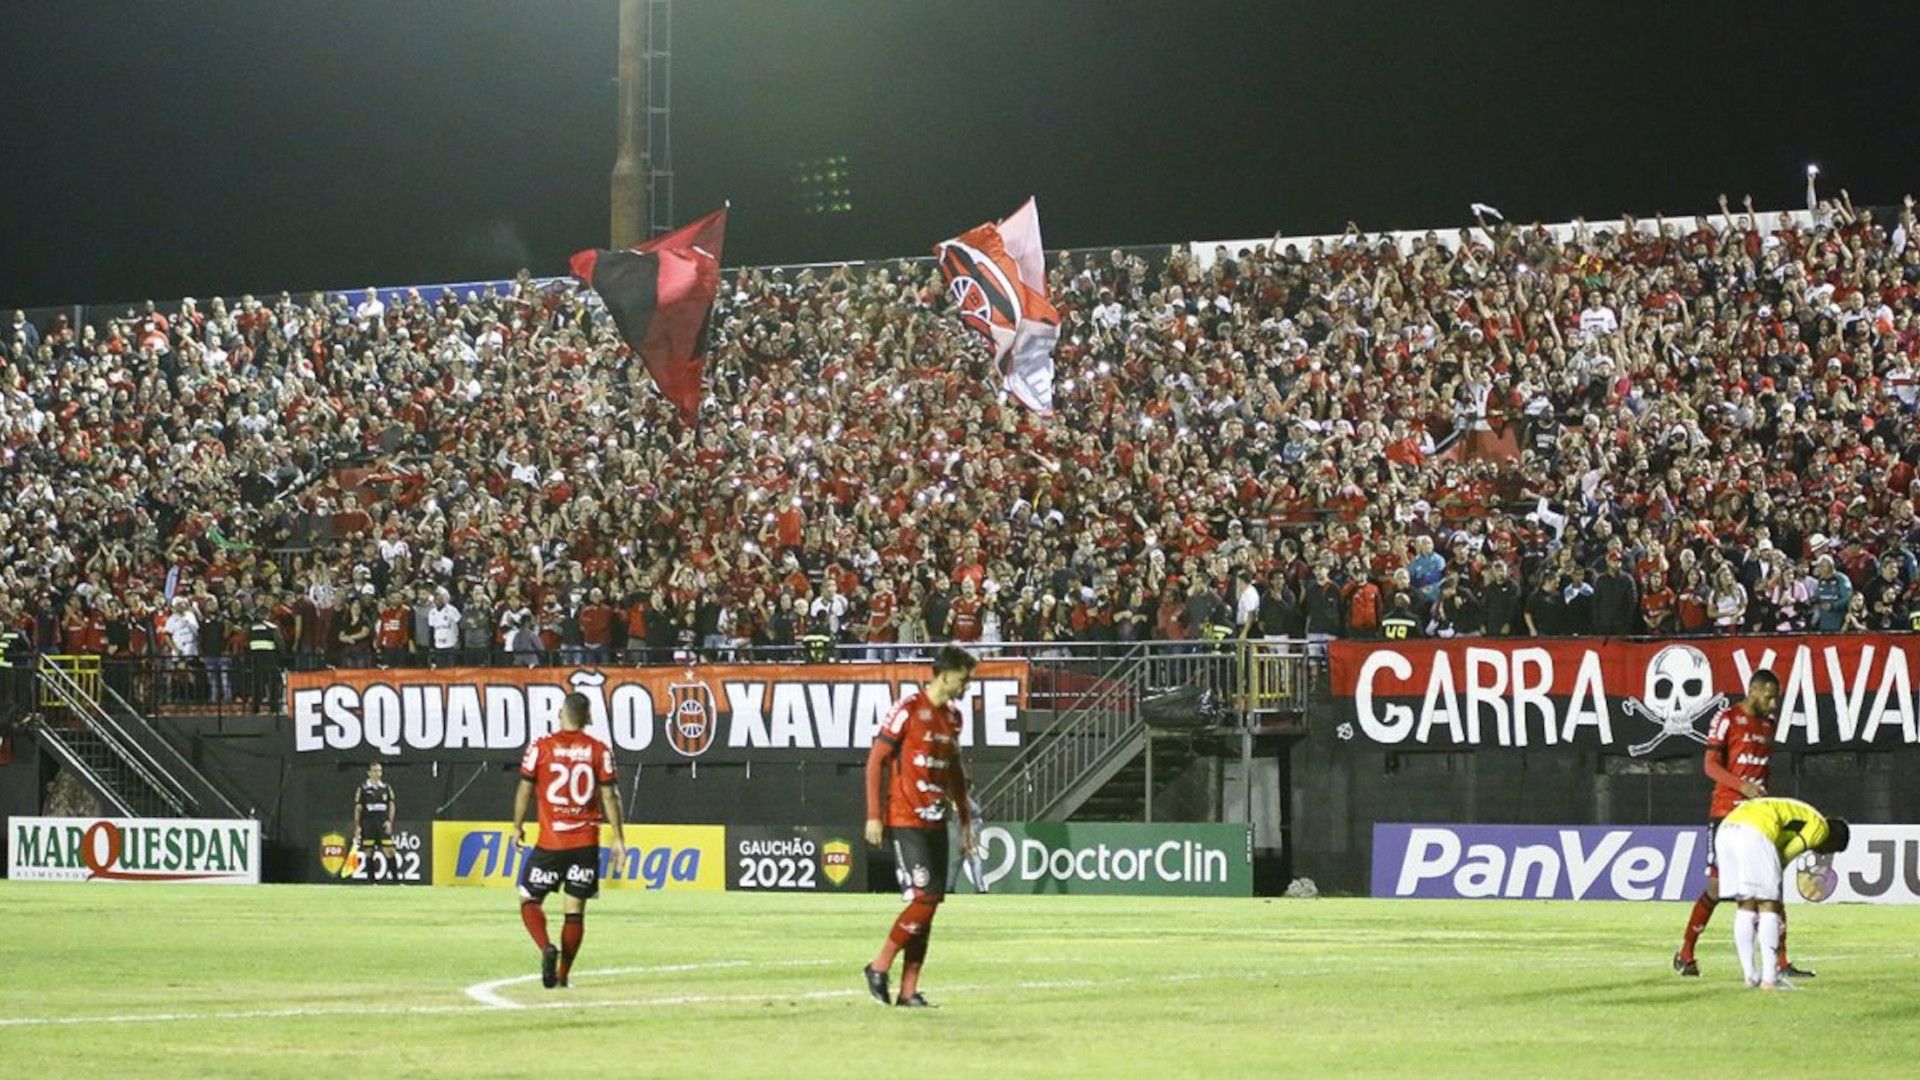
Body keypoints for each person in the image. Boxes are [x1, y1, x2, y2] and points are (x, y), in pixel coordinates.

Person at [1671, 670, 1809, 980]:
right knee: (1717, 888)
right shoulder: (1727, 718)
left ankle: (1781, 962)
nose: (1773, 703)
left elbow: (1763, 771)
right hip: (1726, 814)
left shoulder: (1767, 724)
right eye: (1769, 696)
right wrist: (1741, 787)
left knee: (1771, 883)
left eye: (1776, 697)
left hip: (1758, 817)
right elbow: (1709, 765)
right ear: (1754, 690)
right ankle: (1686, 952)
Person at [862, 644, 978, 1008]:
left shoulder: (954, 718)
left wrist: (965, 820)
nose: (967, 685)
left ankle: (909, 990)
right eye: (964, 678)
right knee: (924, 899)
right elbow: (875, 761)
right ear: (946, 674)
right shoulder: (908, 710)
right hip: (905, 818)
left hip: (935, 822)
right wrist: (874, 814)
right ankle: (879, 966)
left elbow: (956, 775)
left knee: (930, 906)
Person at [512, 691, 626, 989]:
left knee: (529, 897)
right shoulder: (599, 750)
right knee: (574, 911)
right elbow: (609, 795)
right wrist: (618, 837)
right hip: (586, 842)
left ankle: (545, 946)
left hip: (551, 841)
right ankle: (562, 976)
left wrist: (517, 826)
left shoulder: (541, 747)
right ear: (588, 717)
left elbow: (525, 788)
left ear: (562, 712)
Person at [1715, 797, 1850, 990]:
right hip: (1754, 831)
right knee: (1768, 903)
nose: (1823, 854)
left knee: (1746, 903)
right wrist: (1774, 882)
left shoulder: (1805, 813)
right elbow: (1786, 854)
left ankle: (1751, 976)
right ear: (1832, 839)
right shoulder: (1821, 828)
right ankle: (1770, 979)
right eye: (1831, 850)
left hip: (1727, 829)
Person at [351, 762, 398, 884]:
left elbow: (392, 805)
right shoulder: (363, 788)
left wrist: (389, 821)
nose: (378, 773)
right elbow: (358, 808)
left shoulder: (386, 787)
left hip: (382, 822)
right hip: (368, 823)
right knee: (369, 851)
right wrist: (357, 826)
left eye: (379, 771)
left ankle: (396, 881)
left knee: (389, 850)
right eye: (375, 771)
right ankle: (372, 881)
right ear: (369, 772)